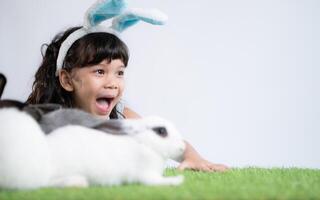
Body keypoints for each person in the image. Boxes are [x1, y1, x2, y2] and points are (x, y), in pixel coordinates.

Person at [26, 26, 228, 172]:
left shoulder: (122, 117)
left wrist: (193, 158)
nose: (112, 83)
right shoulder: (50, 121)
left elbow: (169, 140)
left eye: (119, 73)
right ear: (67, 80)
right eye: (99, 71)